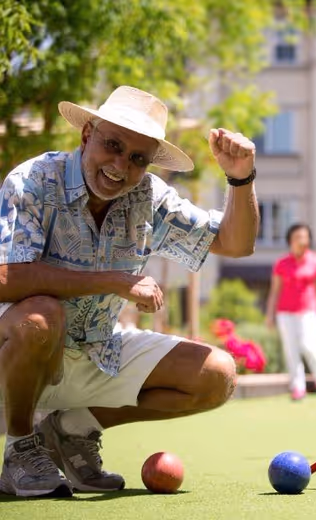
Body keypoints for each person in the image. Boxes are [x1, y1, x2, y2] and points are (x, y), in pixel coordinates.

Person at [0, 86, 259, 497]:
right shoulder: (33, 179)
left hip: (98, 350)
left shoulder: (149, 196)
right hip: (16, 362)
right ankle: (19, 449)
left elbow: (236, 244)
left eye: (138, 158)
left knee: (216, 376)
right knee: (40, 317)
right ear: (87, 134)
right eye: (113, 145)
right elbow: (5, 278)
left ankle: (70, 429)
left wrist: (240, 178)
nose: (121, 166)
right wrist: (113, 280)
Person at [265, 223, 316, 401]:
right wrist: (270, 315)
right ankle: (298, 387)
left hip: (308, 311)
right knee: (291, 350)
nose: (303, 241)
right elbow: (275, 291)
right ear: (290, 241)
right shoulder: (281, 263)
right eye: (298, 237)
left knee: (309, 346)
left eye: (305, 237)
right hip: (285, 312)